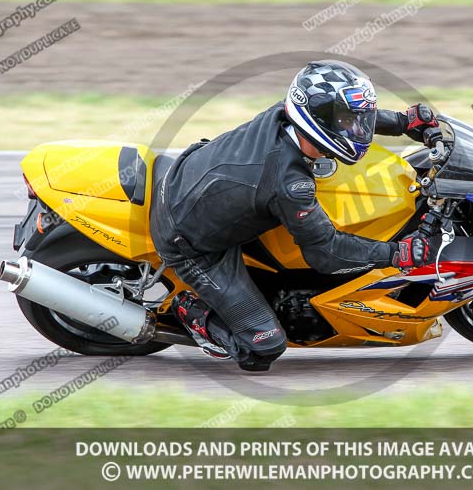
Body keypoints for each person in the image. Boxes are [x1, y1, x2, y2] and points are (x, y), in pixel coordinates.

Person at [150, 59, 442, 372]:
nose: (357, 126)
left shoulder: (286, 115)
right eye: (348, 120)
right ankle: (189, 310)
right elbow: (326, 254)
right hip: (189, 240)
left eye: (358, 118)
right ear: (319, 121)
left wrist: (402, 122)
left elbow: (345, 118)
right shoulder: (290, 184)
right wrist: (396, 253)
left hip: (190, 177)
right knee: (262, 347)